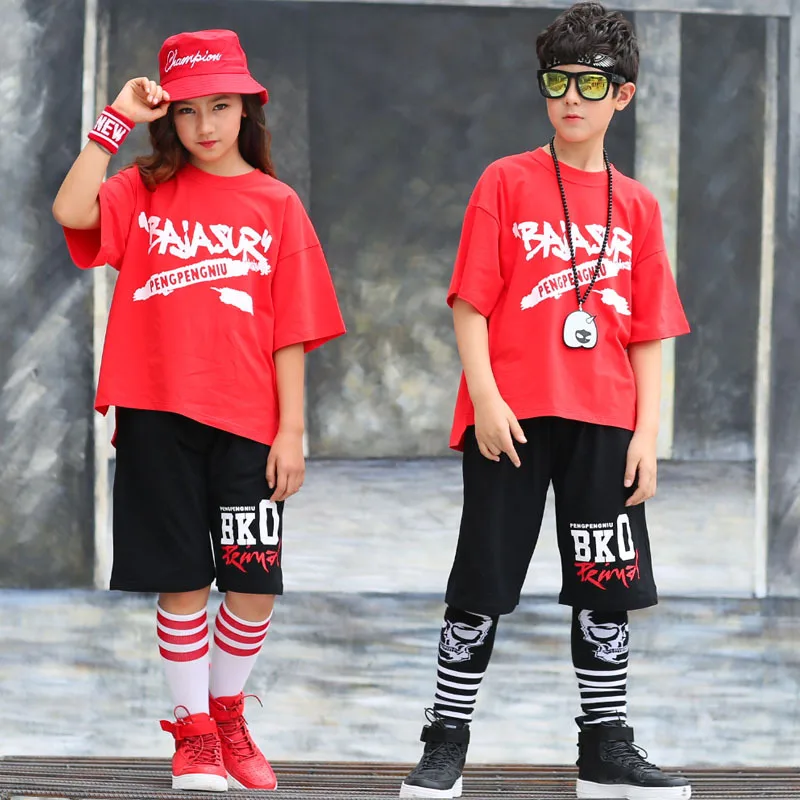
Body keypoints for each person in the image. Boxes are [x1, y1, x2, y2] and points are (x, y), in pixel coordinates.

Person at [399, 4, 692, 799]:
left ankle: (605, 747)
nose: (571, 99)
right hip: (512, 418)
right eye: (557, 82)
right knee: (482, 578)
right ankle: (445, 740)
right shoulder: (506, 180)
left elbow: (649, 333)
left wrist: (646, 434)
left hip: (606, 421)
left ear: (621, 96)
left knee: (606, 586)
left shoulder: (638, 206)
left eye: (590, 85)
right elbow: (470, 304)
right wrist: (485, 398)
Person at [52, 29, 345, 793]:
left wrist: (291, 431)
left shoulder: (277, 205)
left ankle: (227, 714)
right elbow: (70, 207)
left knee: (252, 583)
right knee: (182, 581)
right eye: (187, 110)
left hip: (250, 423)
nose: (205, 125)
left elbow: (292, 331)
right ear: (168, 118)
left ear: (248, 109)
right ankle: (194, 738)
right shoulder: (143, 190)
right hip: (157, 415)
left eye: (221, 106)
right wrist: (115, 119)